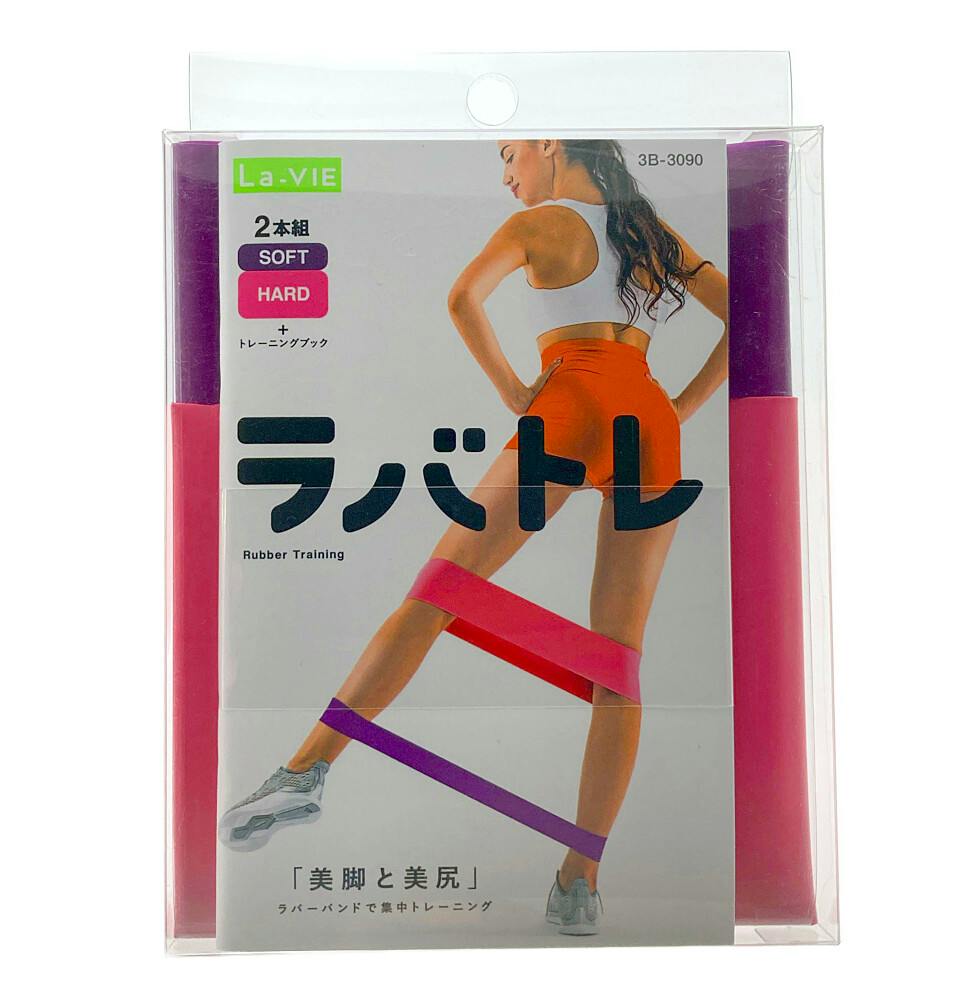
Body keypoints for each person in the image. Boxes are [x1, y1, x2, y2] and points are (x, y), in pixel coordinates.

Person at [219, 138, 729, 936]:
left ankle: (305, 769)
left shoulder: (541, 223)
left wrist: (516, 392)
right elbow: (745, 314)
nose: (506, 176)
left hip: (569, 403)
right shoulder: (649, 232)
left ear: (551, 144)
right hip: (650, 425)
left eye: (509, 155)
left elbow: (462, 298)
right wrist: (679, 409)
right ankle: (578, 882)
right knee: (616, 661)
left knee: (437, 593)